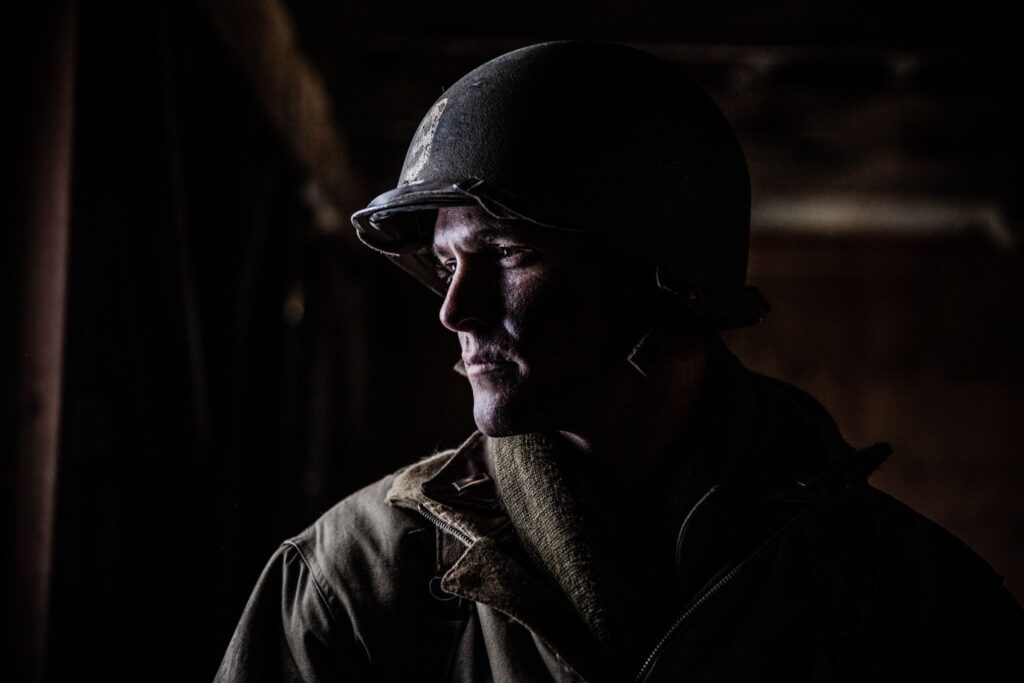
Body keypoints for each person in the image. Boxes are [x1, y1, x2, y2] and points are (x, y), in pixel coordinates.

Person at [215, 41, 1023, 682]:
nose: (454, 309)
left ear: (665, 278)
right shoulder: (347, 588)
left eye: (506, 252)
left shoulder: (903, 596)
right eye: (445, 262)